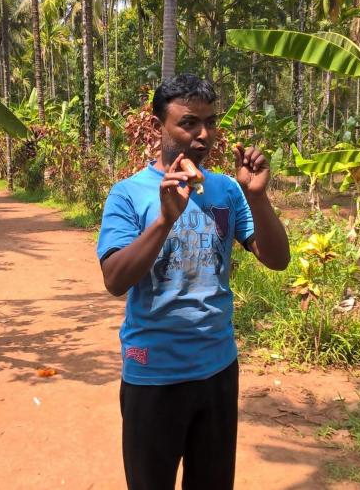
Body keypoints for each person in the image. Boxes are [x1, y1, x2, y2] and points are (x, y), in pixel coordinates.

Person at [96, 73, 290, 490]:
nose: (204, 135)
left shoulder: (226, 190)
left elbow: (277, 259)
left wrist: (256, 196)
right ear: (157, 127)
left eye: (211, 122)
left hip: (218, 368)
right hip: (153, 374)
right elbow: (115, 279)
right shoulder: (128, 194)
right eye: (189, 123)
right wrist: (165, 220)